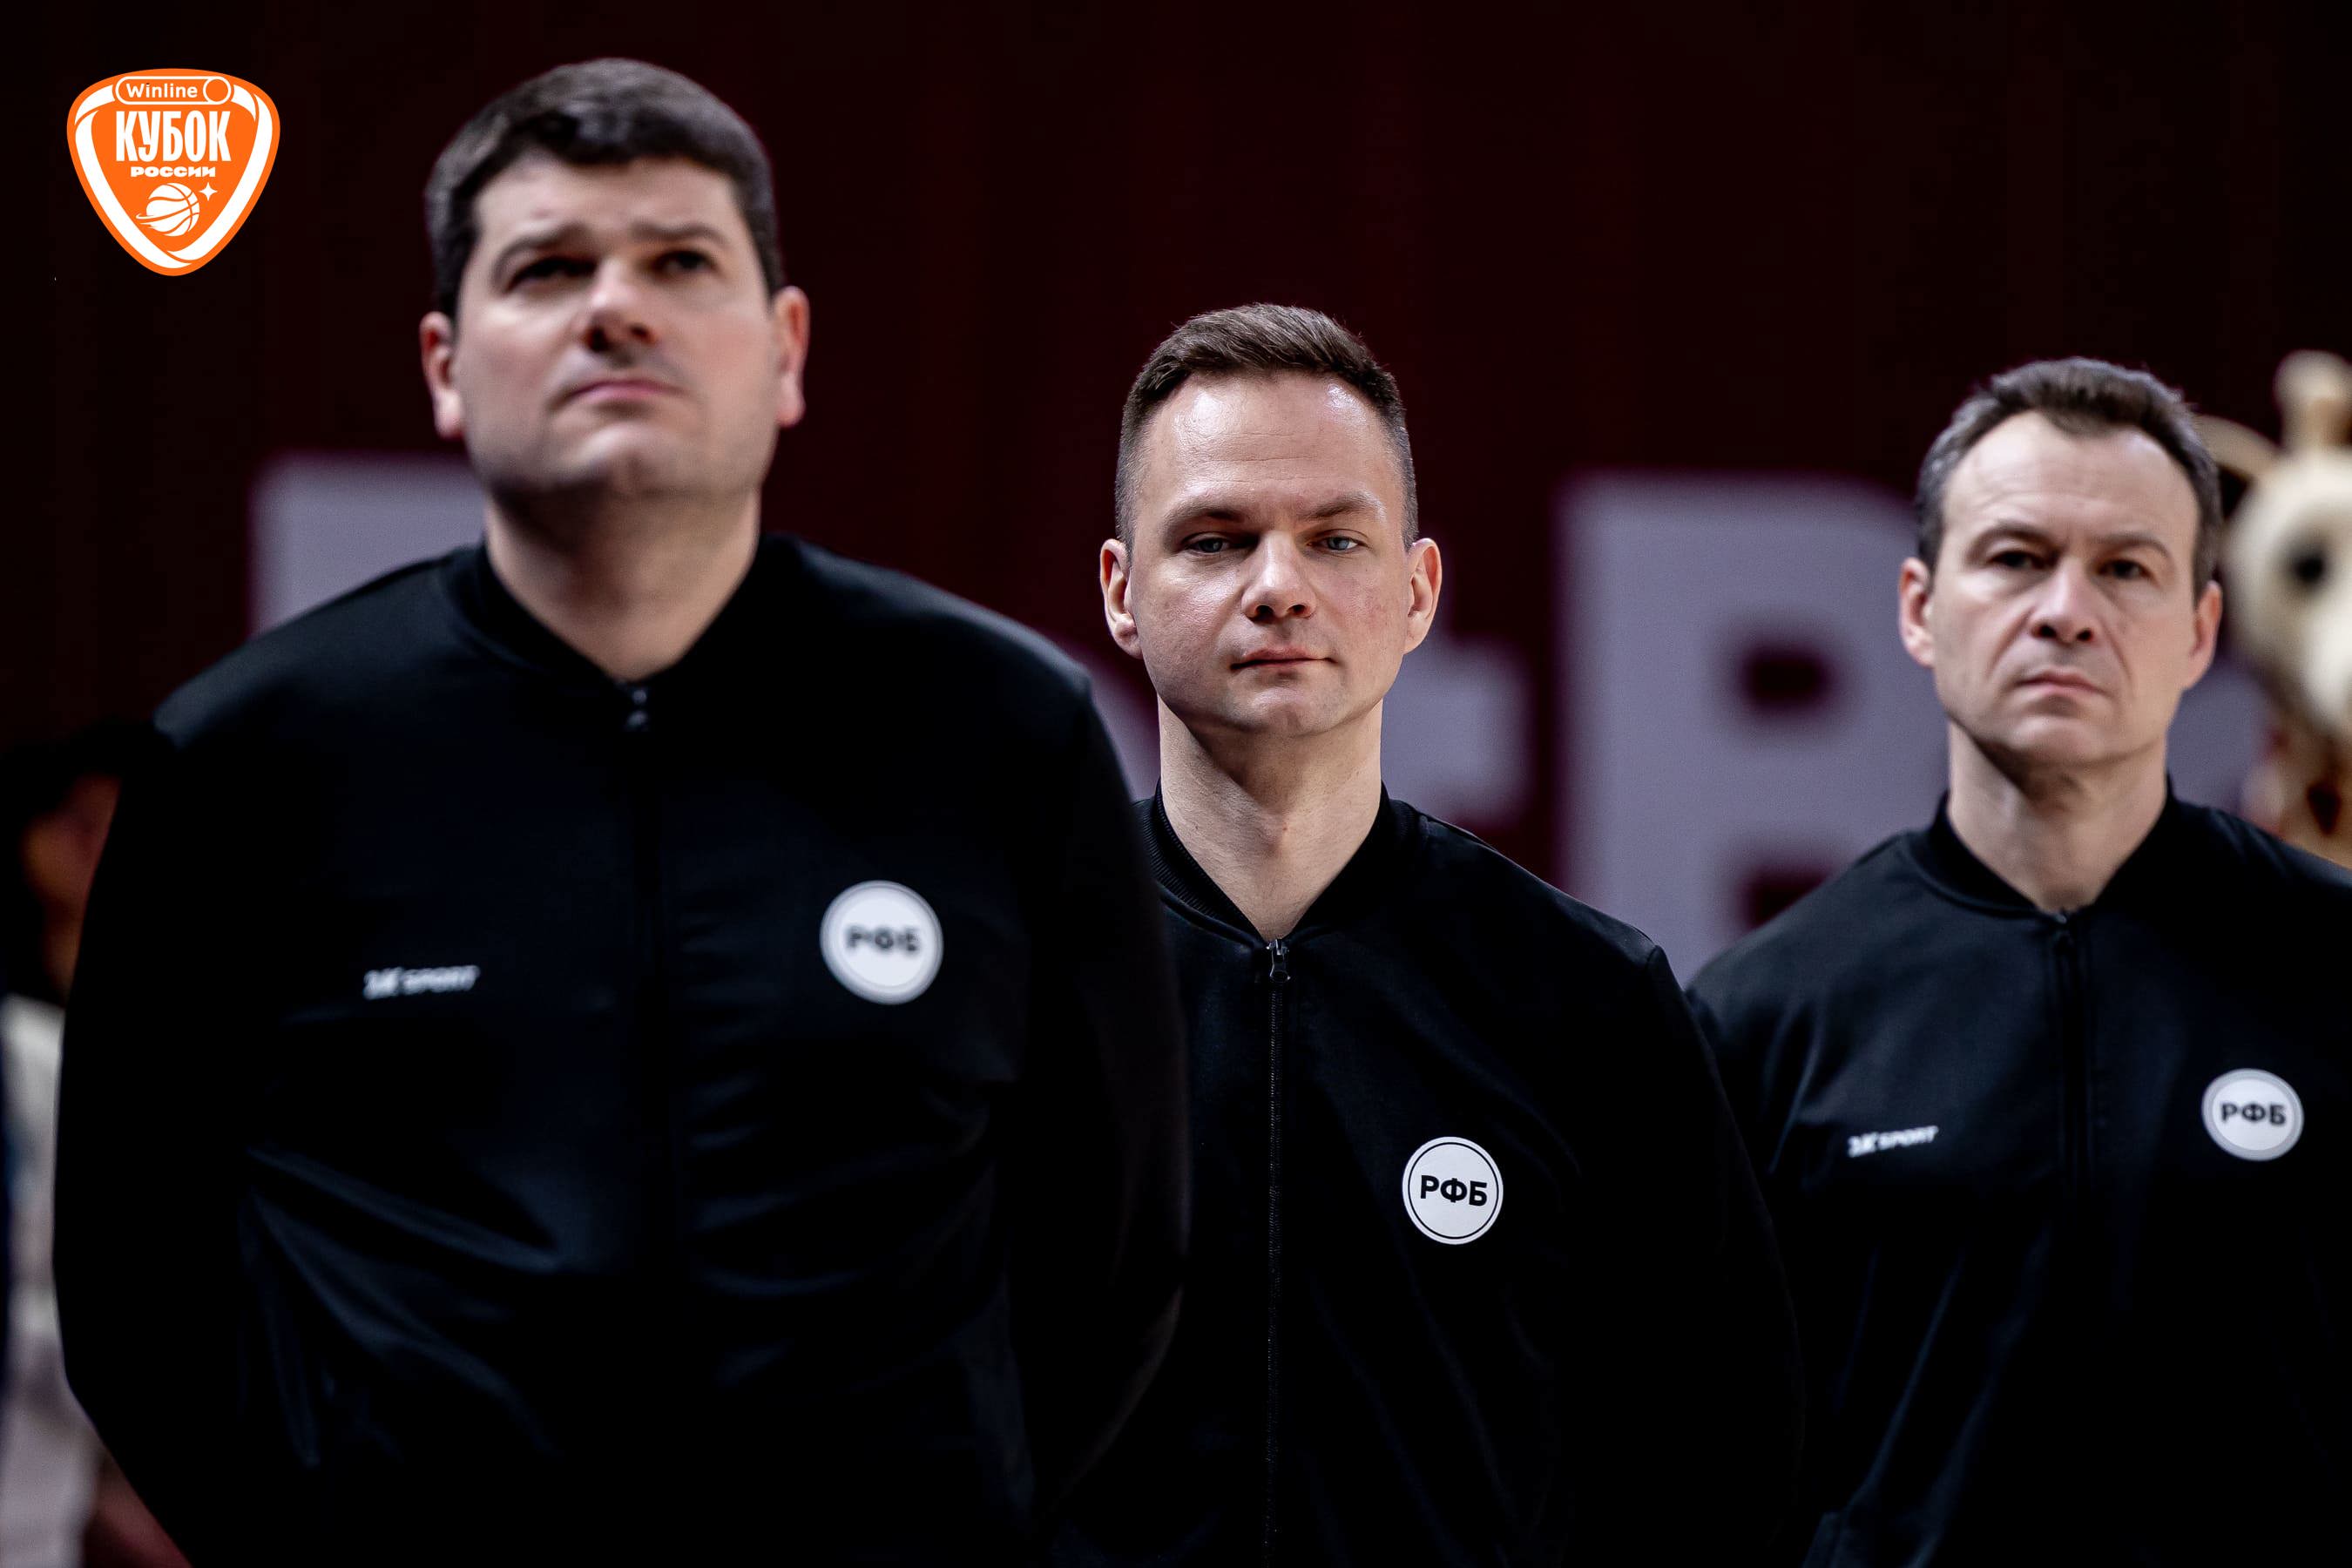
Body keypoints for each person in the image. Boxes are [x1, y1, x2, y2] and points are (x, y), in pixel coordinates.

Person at [57, 59, 1184, 1565]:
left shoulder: (1001, 732)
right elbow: (133, 1286)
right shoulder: (251, 758)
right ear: (445, 365)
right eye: (548, 269)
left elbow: (1118, 1252)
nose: (616, 308)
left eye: (680, 262)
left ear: (785, 350)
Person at [1054, 304, 1802, 1565]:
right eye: (1216, 539)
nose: (1278, 587)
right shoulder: (1016, 982)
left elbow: (1726, 1461)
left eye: (1334, 539)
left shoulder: (1588, 1001)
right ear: (1124, 593)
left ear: (1417, 592)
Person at [1690, 357, 2352, 1564]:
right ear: (1918, 608)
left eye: (2126, 569)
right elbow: (1695, 1465)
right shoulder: (1765, 1017)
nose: (2066, 612)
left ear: (2202, 631)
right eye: (2014, 558)